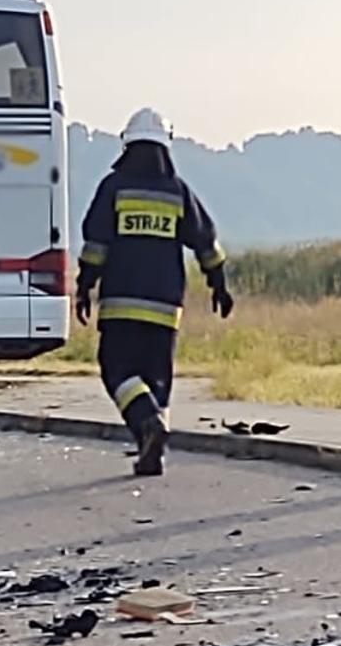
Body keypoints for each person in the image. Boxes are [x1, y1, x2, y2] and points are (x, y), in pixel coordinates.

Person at [74, 108, 233, 476]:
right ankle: (152, 447)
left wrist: (84, 286)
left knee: (117, 371)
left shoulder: (113, 188)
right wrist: (219, 284)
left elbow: (96, 244)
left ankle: (149, 425)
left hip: (121, 304)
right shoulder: (177, 192)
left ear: (127, 146)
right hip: (165, 307)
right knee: (156, 377)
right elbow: (205, 241)